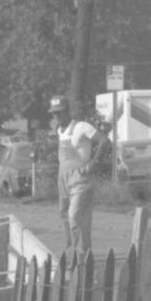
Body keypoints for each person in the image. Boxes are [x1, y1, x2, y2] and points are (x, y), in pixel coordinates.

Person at [55, 99, 103, 249]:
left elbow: (104, 141)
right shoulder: (60, 130)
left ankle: (76, 254)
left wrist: (94, 162)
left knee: (74, 216)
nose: (57, 116)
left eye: (59, 112)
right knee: (64, 215)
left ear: (67, 111)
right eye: (54, 113)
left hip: (80, 179)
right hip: (63, 178)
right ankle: (71, 250)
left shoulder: (81, 127)